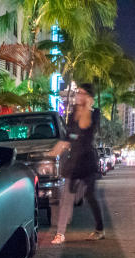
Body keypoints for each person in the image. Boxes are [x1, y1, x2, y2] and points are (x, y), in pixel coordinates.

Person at [51, 83, 104, 244]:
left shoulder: (94, 113)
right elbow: (68, 136)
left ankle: (99, 229)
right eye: (77, 92)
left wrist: (86, 108)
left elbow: (84, 126)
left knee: (90, 196)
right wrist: (54, 151)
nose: (78, 96)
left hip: (87, 161)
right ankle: (60, 233)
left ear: (89, 97)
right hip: (73, 162)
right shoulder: (73, 112)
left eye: (82, 93)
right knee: (66, 197)